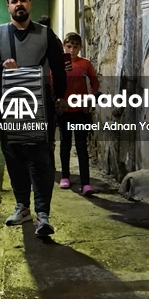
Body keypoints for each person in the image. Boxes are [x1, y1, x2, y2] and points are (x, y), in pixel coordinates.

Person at [0, 0, 67, 237]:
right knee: (14, 156)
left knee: (40, 159)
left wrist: (61, 97)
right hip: (9, 106)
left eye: (23, 0)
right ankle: (22, 207)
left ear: (30, 4)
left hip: (39, 107)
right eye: (14, 1)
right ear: (8, 6)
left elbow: (58, 66)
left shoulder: (46, 34)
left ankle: (43, 215)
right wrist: (2, 64)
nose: (19, 4)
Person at [57, 32, 100, 194]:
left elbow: (95, 82)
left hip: (81, 112)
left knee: (82, 146)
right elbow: (53, 83)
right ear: (64, 46)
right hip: (64, 111)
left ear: (80, 47)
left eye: (75, 47)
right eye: (69, 46)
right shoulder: (59, 64)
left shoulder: (85, 64)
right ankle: (65, 176)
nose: (72, 50)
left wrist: (91, 98)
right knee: (65, 144)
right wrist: (57, 100)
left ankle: (86, 183)